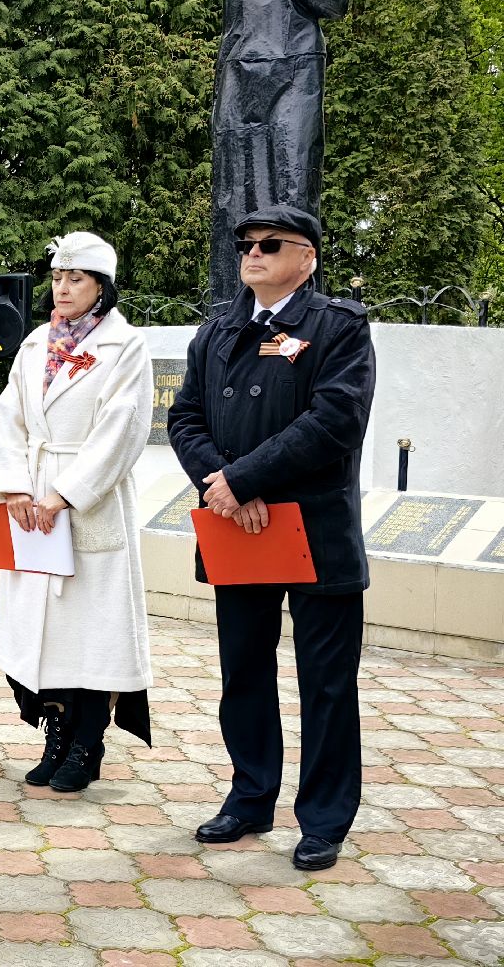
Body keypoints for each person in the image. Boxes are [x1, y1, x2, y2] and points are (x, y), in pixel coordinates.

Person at [168, 203, 376, 872]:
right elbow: (186, 417)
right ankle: (250, 797)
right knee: (245, 672)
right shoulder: (219, 331)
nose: (253, 252)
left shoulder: (338, 328)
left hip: (314, 530)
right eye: (245, 244)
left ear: (306, 257)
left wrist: (246, 477)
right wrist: (221, 484)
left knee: (326, 683)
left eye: (271, 243)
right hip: (239, 527)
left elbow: (333, 421)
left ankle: (322, 821)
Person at [0, 233, 155, 792]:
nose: (61, 288)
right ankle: (52, 731)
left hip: (87, 506)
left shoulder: (124, 347)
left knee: (88, 632)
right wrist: (15, 491)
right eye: (57, 277)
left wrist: (66, 494)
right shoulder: (36, 344)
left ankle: (87, 743)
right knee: (34, 631)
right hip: (30, 507)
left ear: (101, 288)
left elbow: (123, 427)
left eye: (75, 279)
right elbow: (7, 416)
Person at [209, 0, 349, 304]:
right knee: (234, 189)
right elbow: (233, 24)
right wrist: (222, 93)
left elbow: (338, 0)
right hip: (241, 71)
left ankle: (299, 303)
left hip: (296, 68)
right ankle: (229, 306)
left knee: (294, 184)